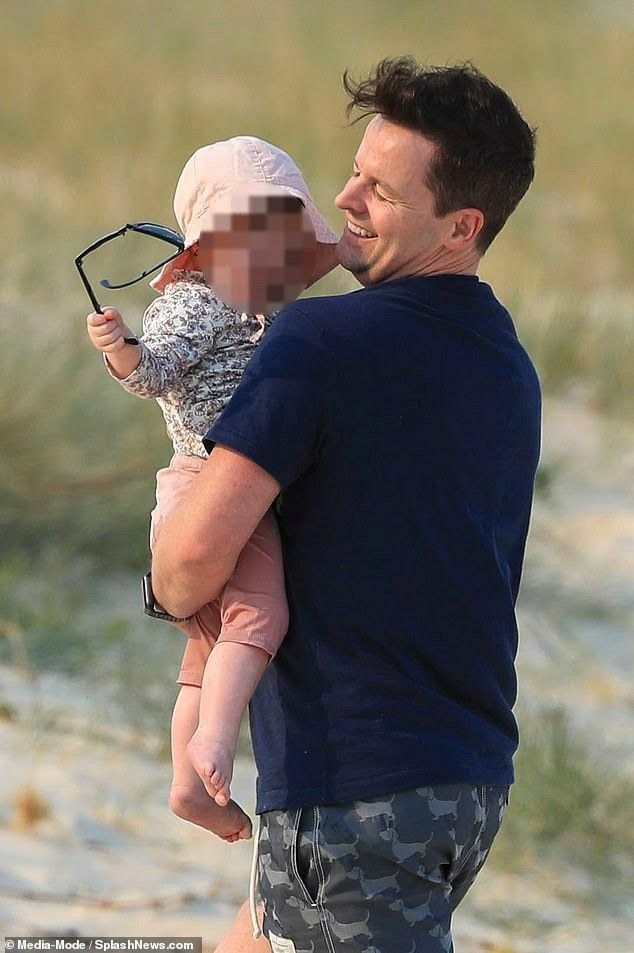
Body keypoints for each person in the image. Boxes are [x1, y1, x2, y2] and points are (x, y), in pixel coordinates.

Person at [152, 58, 541, 953]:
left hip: (355, 794)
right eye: (356, 172)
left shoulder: (319, 339)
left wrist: (170, 562)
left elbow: (187, 570)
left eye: (381, 192)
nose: (347, 198)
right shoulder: (508, 366)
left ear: (461, 223)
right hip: (468, 782)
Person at [86, 136, 338, 844]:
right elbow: (157, 371)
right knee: (259, 614)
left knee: (205, 649)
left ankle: (186, 785)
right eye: (248, 244)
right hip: (212, 476)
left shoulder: (264, 299)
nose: (271, 263)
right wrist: (122, 350)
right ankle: (218, 746)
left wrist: (339, 251)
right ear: (198, 251)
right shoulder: (191, 303)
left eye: (282, 245)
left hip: (235, 475)